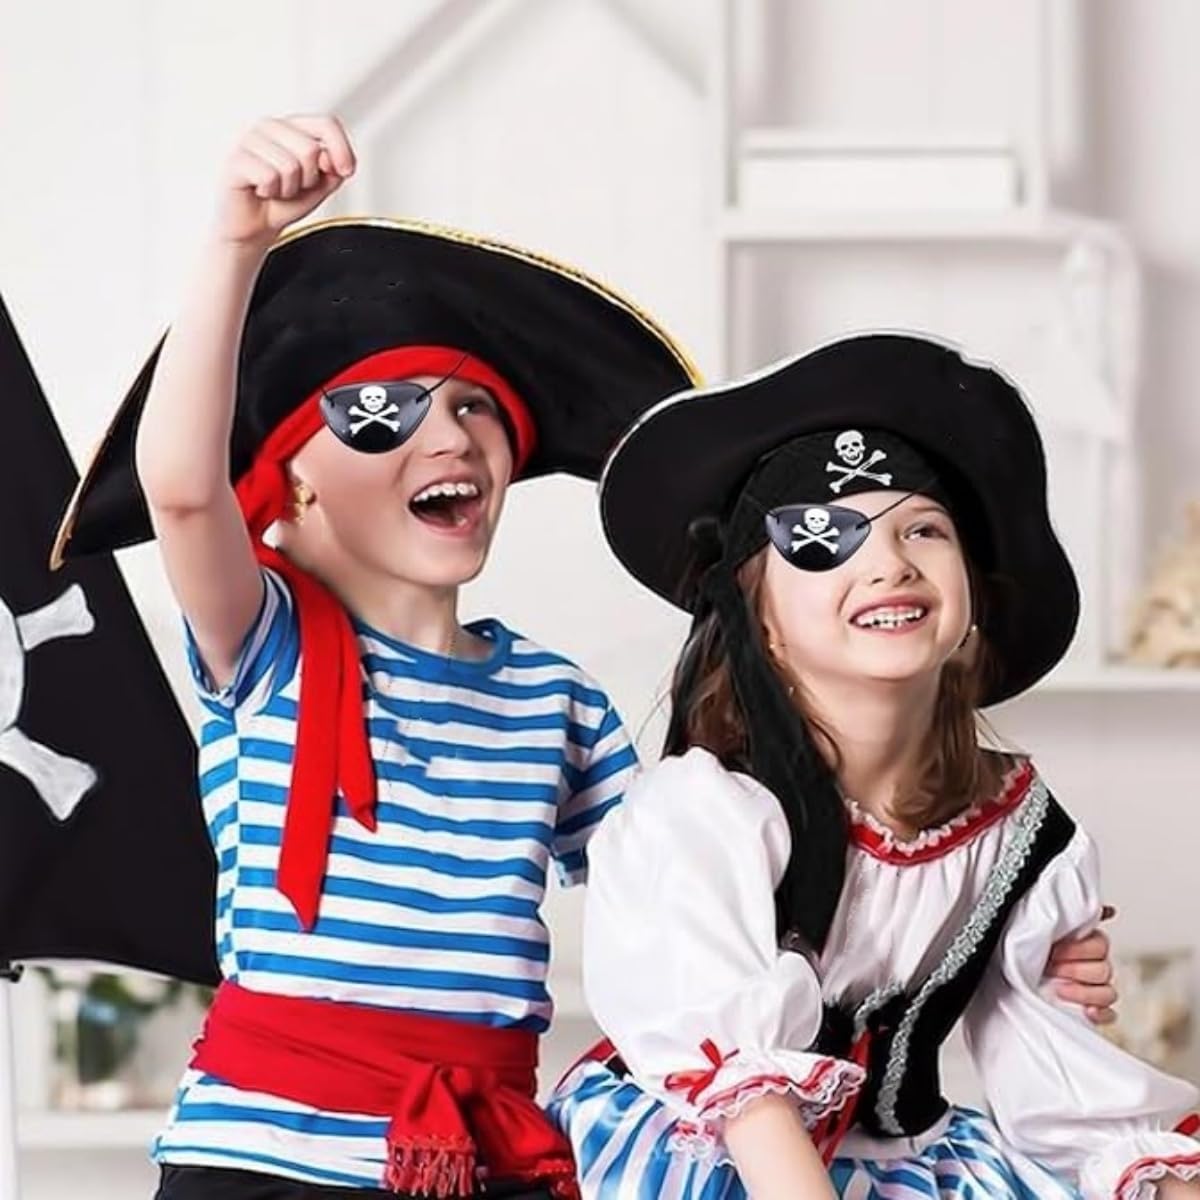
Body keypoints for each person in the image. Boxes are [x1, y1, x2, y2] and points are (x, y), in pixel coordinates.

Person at [52, 114, 697, 1199]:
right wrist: (237, 244)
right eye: (380, 412)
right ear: (289, 484)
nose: (448, 435)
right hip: (262, 1161)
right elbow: (183, 491)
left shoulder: (558, 700)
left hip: (489, 1159)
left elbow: (686, 895)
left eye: (474, 405)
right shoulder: (269, 647)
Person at [548, 333, 1200, 1199]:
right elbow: (751, 1112)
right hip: (725, 1163)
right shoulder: (702, 815)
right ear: (759, 614)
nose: (890, 563)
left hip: (907, 1165)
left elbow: (1066, 1093)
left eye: (923, 529)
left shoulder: (1019, 836)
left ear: (972, 593)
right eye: (824, 539)